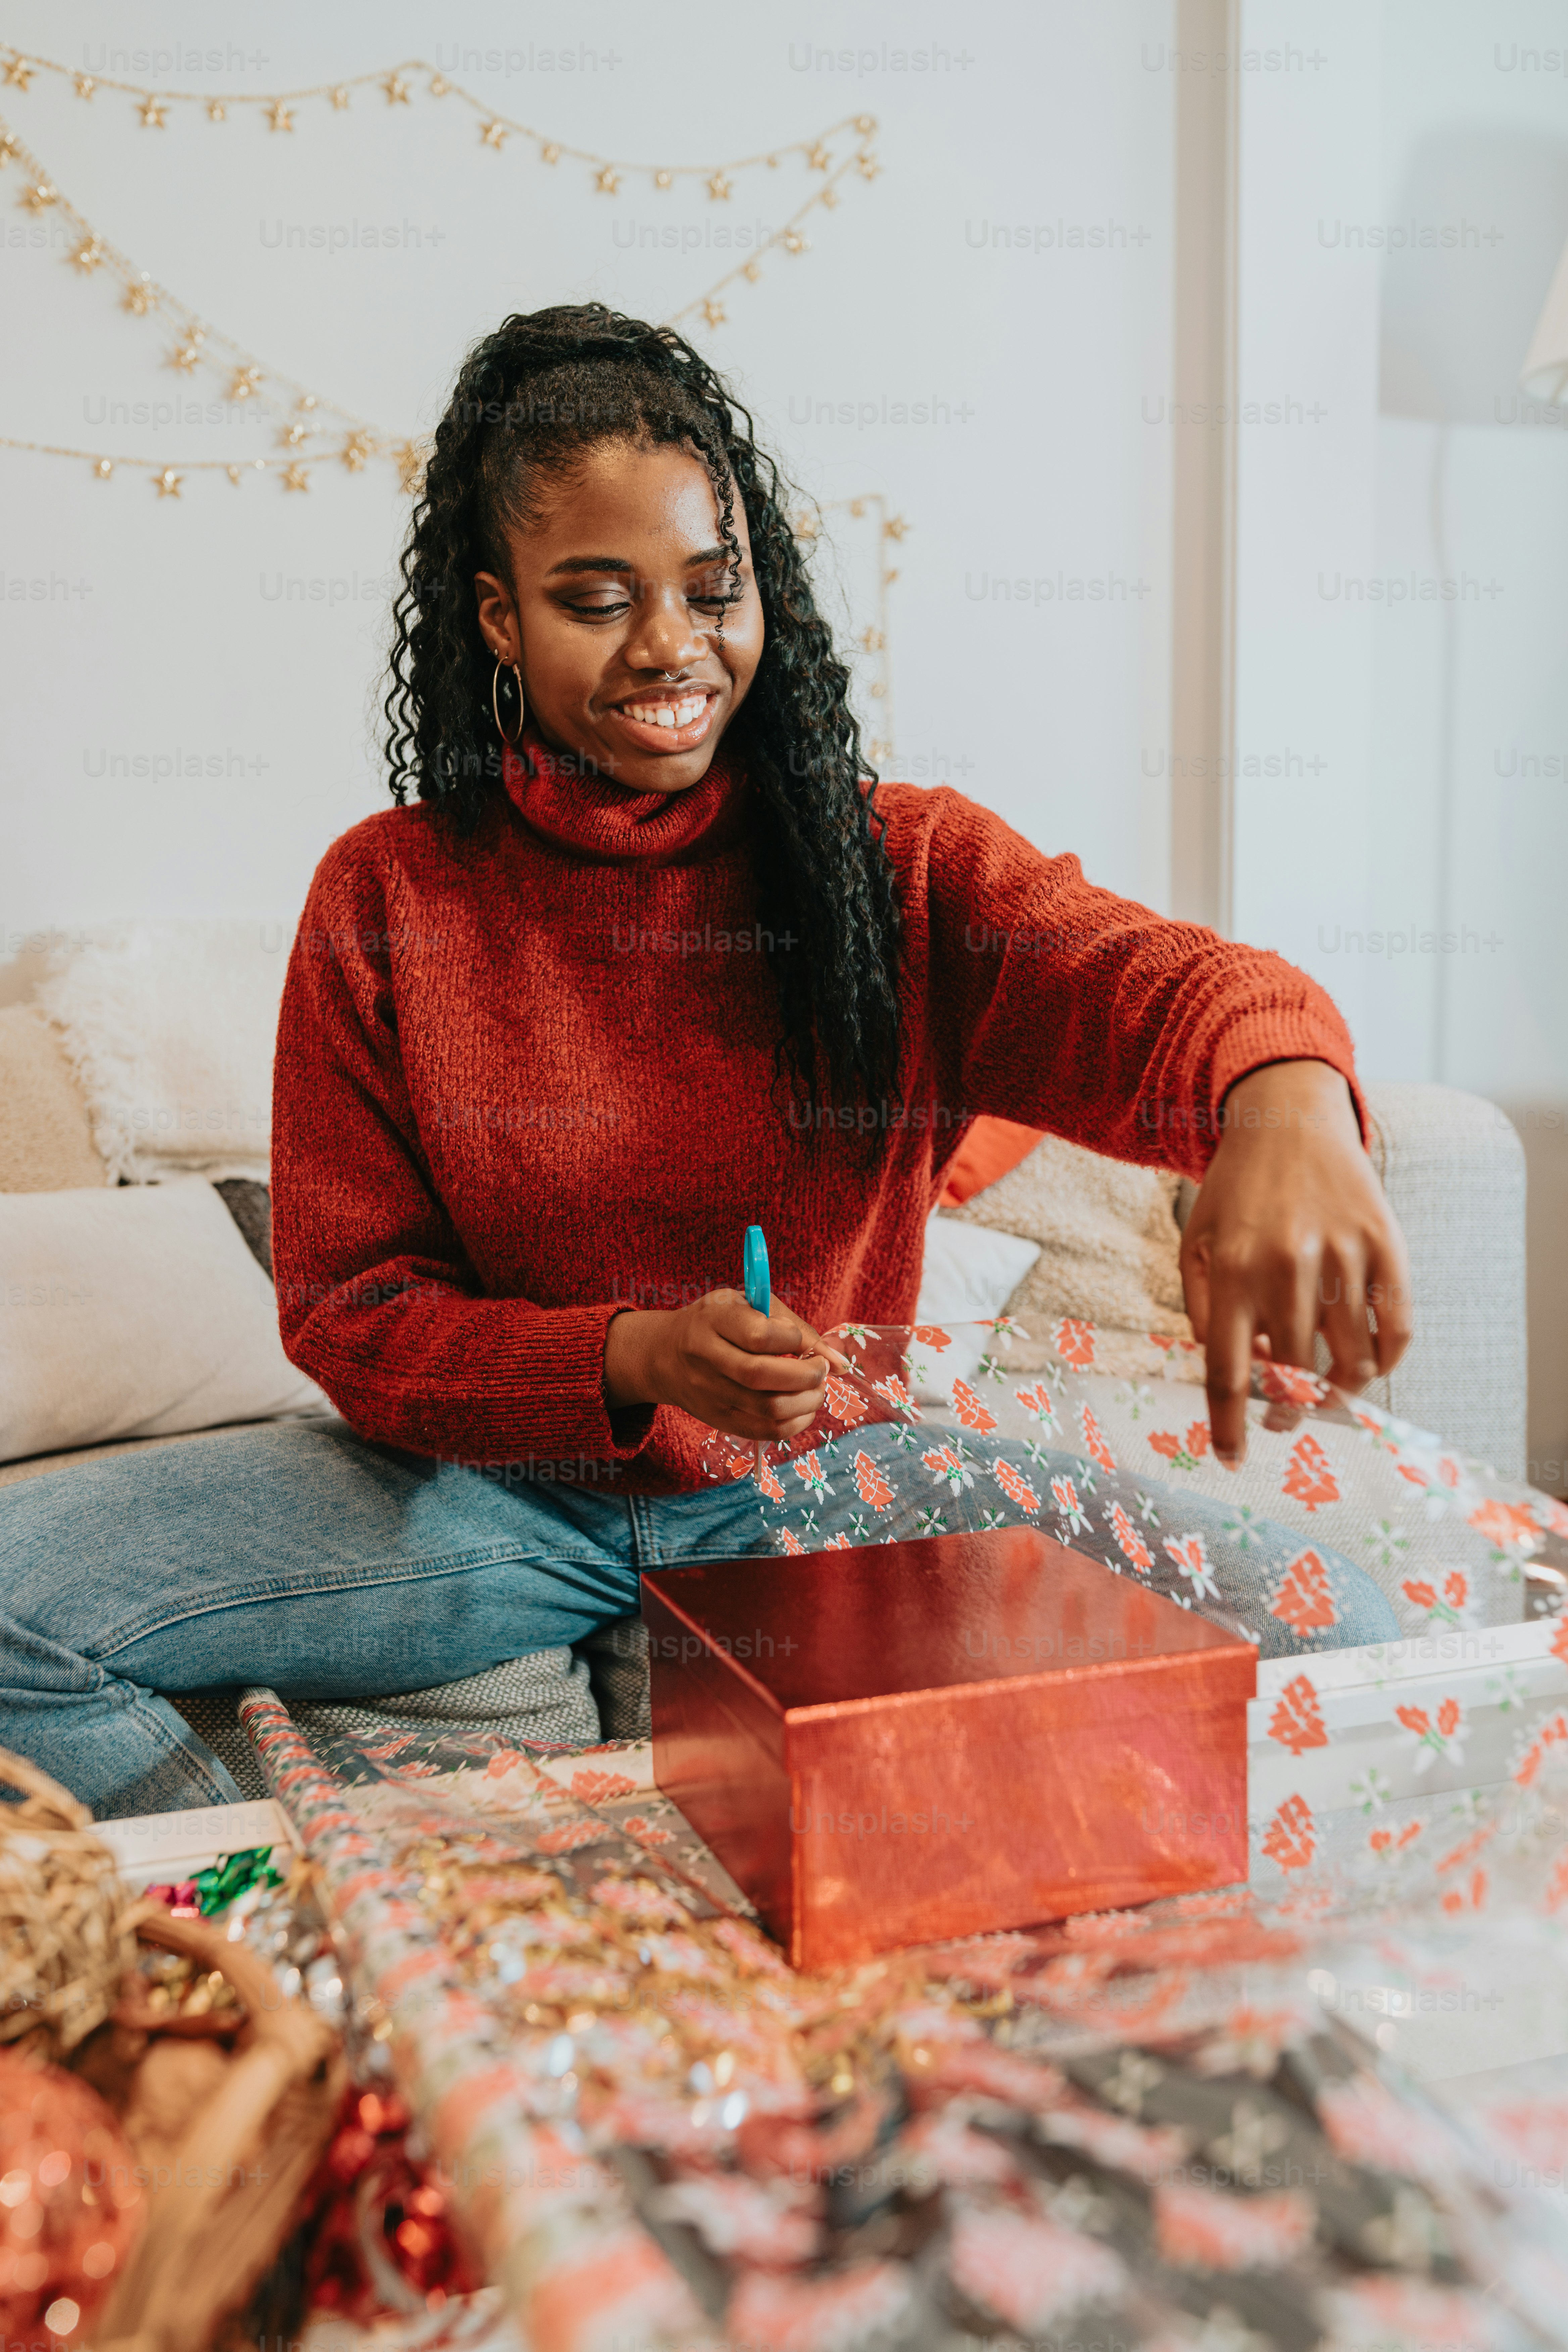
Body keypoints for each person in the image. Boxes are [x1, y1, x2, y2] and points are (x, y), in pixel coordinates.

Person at [0, 306, 1407, 1817]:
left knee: (1355, 1635)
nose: (669, 646)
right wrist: (625, 1357)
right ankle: (309, 1916)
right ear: (496, 618)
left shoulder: (894, 865)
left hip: (818, 1498)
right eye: (595, 599)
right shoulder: (390, 894)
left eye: (708, 589)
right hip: (488, 1503)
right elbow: (351, 1313)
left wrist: (1285, 1100)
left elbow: (1165, 988)